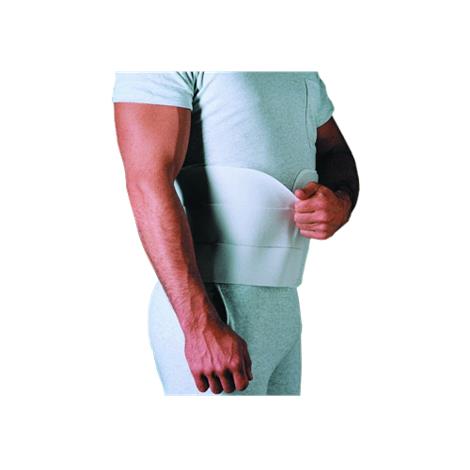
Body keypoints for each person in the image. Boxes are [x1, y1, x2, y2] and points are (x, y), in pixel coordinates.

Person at [112, 71, 359, 396]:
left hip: (283, 310)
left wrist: (341, 200)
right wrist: (198, 326)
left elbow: (333, 150)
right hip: (213, 313)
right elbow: (147, 184)